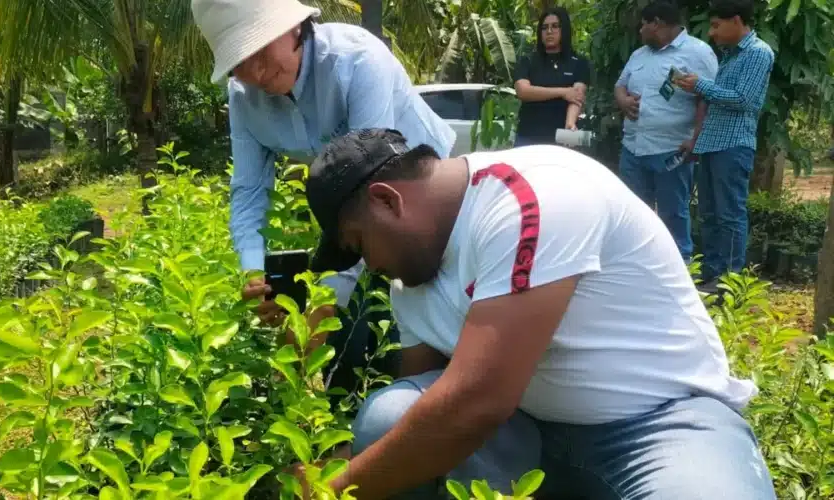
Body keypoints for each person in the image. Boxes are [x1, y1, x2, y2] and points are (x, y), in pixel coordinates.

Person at [299, 128, 775, 499]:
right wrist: (340, 462)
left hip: (657, 425)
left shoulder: (531, 197)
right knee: (389, 416)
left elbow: (473, 404)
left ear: (387, 199)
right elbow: (421, 415)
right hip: (527, 429)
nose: (373, 268)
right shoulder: (411, 278)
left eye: (360, 245)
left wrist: (329, 494)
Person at [190, 0, 457, 394]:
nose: (257, 72)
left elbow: (370, 194)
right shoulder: (244, 98)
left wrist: (317, 311)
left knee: (421, 326)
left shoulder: (357, 61)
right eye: (240, 61)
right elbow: (249, 192)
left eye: (261, 49)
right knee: (351, 344)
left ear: (294, 28)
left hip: (422, 198)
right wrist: (254, 273)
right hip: (358, 204)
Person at [674, 0, 774, 289]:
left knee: (730, 214)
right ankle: (712, 271)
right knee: (709, 212)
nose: (713, 33)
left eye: (717, 25)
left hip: (734, 145)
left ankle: (730, 279)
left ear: (737, 20)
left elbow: (743, 100)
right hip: (712, 144)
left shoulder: (758, 53)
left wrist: (700, 85)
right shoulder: (729, 56)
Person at [614, 1, 718, 263]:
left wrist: (696, 139)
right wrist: (624, 101)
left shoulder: (698, 52)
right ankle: (636, 267)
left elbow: (707, 99)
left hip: (671, 150)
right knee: (633, 213)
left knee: (673, 213)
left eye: (643, 25)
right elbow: (620, 86)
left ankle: (680, 269)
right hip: (633, 147)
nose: (640, 31)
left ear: (656, 24)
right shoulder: (639, 55)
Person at [511, 7, 591, 147]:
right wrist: (563, 92)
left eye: (555, 26)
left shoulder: (579, 63)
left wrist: (570, 123)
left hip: (560, 140)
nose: (549, 31)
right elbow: (523, 91)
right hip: (528, 138)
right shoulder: (528, 60)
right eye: (544, 27)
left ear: (564, 30)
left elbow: (576, 96)